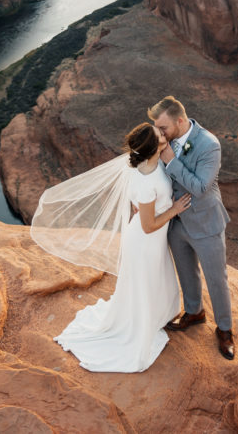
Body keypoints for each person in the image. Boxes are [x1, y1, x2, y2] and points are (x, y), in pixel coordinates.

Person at [39, 123, 191, 372]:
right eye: (159, 135)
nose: (164, 133)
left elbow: (139, 207)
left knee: (155, 280)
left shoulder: (149, 165)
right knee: (147, 284)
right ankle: (140, 326)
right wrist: (173, 210)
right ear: (154, 147)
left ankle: (155, 318)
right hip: (145, 241)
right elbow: (149, 225)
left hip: (148, 240)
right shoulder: (145, 179)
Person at [148, 96, 235, 360]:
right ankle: (194, 311)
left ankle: (225, 330)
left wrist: (172, 161)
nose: (158, 133)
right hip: (176, 223)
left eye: (162, 128)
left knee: (216, 280)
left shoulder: (209, 145)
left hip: (206, 222)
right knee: (186, 272)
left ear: (180, 120)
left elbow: (199, 187)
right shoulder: (165, 139)